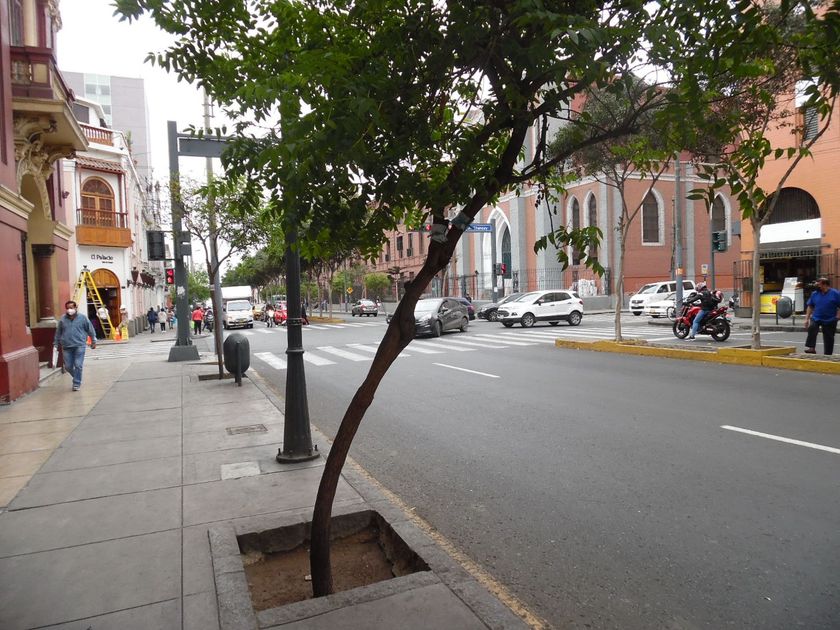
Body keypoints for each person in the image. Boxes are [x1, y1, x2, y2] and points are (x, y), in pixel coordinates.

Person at [54, 300, 96, 391]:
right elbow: (58, 332)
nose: (69, 310)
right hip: (66, 346)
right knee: (68, 366)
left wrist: (93, 340)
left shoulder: (83, 318)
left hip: (79, 345)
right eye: (67, 308)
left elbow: (90, 329)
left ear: (76, 308)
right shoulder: (62, 319)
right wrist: (56, 344)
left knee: (78, 365)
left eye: (71, 308)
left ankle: (76, 383)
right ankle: (77, 377)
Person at [804, 277, 840, 355]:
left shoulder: (835, 293)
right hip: (816, 317)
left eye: (819, 285)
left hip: (830, 319)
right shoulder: (814, 294)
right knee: (812, 327)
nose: (817, 286)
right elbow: (810, 306)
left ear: (825, 285)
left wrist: (838, 316)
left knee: (829, 337)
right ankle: (811, 348)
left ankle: (828, 354)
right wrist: (806, 319)